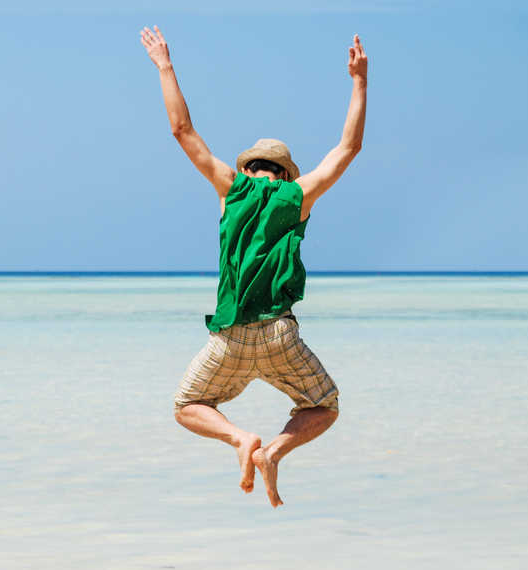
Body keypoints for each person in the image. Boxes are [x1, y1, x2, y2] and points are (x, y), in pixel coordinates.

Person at [140, 26, 368, 508]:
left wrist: (164, 65)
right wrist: (359, 81)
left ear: (247, 169)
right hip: (280, 336)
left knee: (187, 407)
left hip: (230, 336)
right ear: (286, 172)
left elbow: (183, 131)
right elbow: (348, 149)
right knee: (324, 407)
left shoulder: (231, 188)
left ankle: (242, 440)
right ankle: (276, 451)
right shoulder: (297, 195)